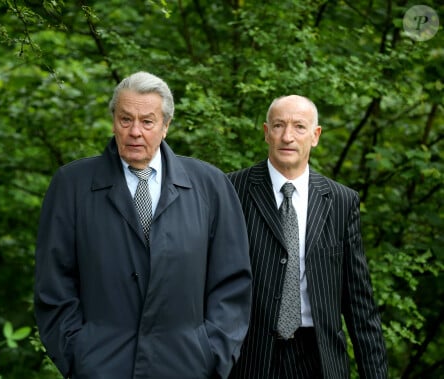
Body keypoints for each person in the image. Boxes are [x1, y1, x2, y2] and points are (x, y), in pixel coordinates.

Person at [34, 71, 252, 379]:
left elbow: (232, 283)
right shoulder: (72, 186)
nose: (135, 131)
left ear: (165, 126)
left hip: (187, 366)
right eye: (126, 120)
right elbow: (53, 285)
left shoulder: (210, 186)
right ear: (114, 123)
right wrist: (78, 355)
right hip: (101, 367)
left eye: (147, 121)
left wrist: (211, 354)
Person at [227, 95, 388, 379]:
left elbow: (359, 301)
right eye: (278, 126)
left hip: (319, 359)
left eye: (299, 127)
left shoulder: (340, 201)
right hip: (248, 357)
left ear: (315, 136)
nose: (287, 136)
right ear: (266, 133)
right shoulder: (231, 190)